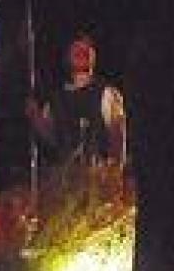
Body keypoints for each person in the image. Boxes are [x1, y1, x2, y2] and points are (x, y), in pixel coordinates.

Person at [26, 30, 129, 171]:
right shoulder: (55, 99)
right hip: (66, 178)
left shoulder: (107, 93)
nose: (82, 52)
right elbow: (54, 139)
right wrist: (36, 118)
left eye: (87, 49)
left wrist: (114, 171)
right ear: (67, 56)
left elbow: (118, 134)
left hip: (99, 177)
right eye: (77, 49)